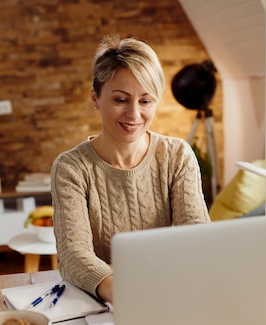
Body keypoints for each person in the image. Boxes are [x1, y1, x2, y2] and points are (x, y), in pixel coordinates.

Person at [51, 34, 210, 303]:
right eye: (121, 100)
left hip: (170, 293)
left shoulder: (177, 156)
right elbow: (73, 256)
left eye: (145, 101)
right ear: (95, 98)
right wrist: (126, 292)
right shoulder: (71, 168)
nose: (134, 115)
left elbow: (197, 238)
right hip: (107, 304)